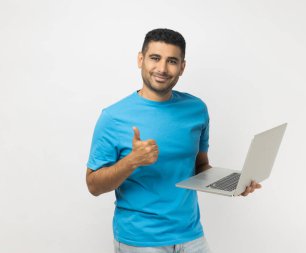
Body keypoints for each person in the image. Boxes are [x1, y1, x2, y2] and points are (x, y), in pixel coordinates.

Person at [86, 28, 261, 253]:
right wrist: (132, 161)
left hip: (191, 234)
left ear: (182, 67)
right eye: (155, 58)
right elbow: (93, 185)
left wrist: (233, 183)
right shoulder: (113, 117)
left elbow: (200, 167)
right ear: (141, 59)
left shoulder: (196, 109)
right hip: (141, 239)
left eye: (172, 61)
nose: (162, 69)